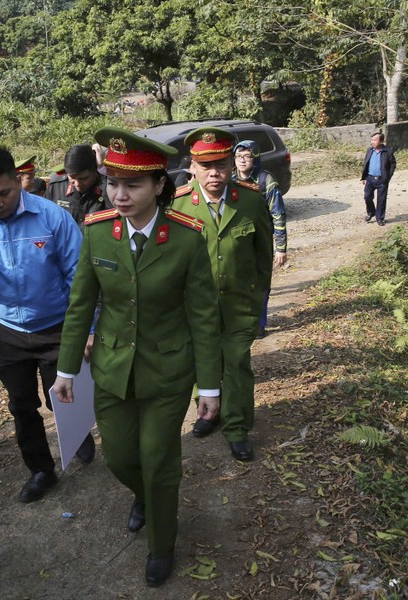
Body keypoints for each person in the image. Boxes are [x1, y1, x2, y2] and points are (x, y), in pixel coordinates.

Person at [53, 127, 222, 587]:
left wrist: (209, 386)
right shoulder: (98, 234)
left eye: (132, 185)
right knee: (121, 458)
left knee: (159, 459)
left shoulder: (186, 239)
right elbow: (80, 306)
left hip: (168, 372)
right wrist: (67, 369)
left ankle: (161, 545)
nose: (119, 195)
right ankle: (145, 496)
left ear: (159, 186)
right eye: (112, 183)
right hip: (110, 371)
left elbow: (205, 317)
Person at [0, 144, 92, 503]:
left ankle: (77, 435)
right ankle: (41, 470)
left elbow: (79, 277)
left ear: (18, 181)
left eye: (4, 193)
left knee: (63, 397)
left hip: (56, 328)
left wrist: (88, 329)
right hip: (9, 331)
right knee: (21, 406)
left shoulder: (51, 218)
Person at [170, 127, 272, 461]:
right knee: (202, 361)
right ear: (193, 168)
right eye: (206, 165)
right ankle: (207, 413)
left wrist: (258, 304)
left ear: (232, 165)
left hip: (239, 305)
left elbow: (263, 258)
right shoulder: (178, 206)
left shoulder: (252, 201)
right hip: (195, 309)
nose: (215, 172)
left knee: (238, 366)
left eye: (222, 164)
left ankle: (238, 427)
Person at [231, 140, 288, 338]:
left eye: (247, 156)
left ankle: (259, 324)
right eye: (238, 157)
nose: (242, 161)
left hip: (262, 239)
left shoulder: (266, 181)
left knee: (262, 282)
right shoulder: (230, 182)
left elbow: (278, 214)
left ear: (254, 158)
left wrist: (281, 247)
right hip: (237, 240)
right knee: (238, 280)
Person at [44, 144, 112, 228]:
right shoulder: (57, 186)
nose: (77, 184)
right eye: (72, 178)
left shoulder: (106, 185)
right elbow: (44, 218)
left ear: (95, 172)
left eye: (83, 178)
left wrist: (102, 169)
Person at [361, 131, 396, 226]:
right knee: (367, 196)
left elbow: (393, 164)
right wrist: (364, 177)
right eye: (371, 140)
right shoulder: (370, 150)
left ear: (381, 141)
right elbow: (366, 163)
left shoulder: (387, 151)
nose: (372, 142)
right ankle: (371, 212)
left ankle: (380, 218)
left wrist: (388, 176)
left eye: (375, 140)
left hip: (382, 179)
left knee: (381, 200)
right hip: (370, 178)